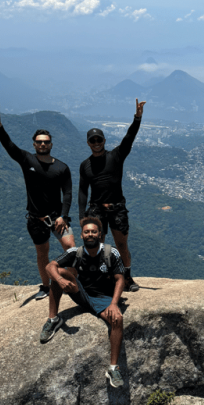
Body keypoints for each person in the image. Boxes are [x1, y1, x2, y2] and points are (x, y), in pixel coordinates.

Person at [0, 104, 75, 300]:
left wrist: (63, 216)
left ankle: (73, 281)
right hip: (36, 219)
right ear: (34, 144)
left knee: (71, 248)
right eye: (39, 142)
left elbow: (67, 193)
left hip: (57, 218)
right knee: (42, 254)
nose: (43, 144)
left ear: (51, 144)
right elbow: (8, 145)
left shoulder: (62, 167)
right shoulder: (27, 160)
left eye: (46, 142)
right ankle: (46, 286)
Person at [40, 217, 126, 388]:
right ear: (81, 235)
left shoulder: (111, 253)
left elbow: (120, 279)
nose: (90, 234)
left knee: (118, 320)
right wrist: (59, 279)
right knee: (59, 273)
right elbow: (50, 266)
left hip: (104, 299)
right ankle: (53, 319)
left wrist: (114, 303)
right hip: (82, 294)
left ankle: (113, 368)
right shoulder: (76, 252)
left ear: (100, 235)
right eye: (87, 232)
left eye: (94, 231)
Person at [78, 98, 146, 292]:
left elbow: (129, 137)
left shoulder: (116, 156)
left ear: (104, 141)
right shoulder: (85, 165)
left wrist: (137, 118)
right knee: (96, 246)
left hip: (117, 207)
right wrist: (82, 215)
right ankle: (101, 278)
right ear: (88, 143)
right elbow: (83, 190)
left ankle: (127, 278)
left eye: (99, 140)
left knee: (121, 245)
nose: (97, 143)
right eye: (93, 140)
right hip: (96, 208)